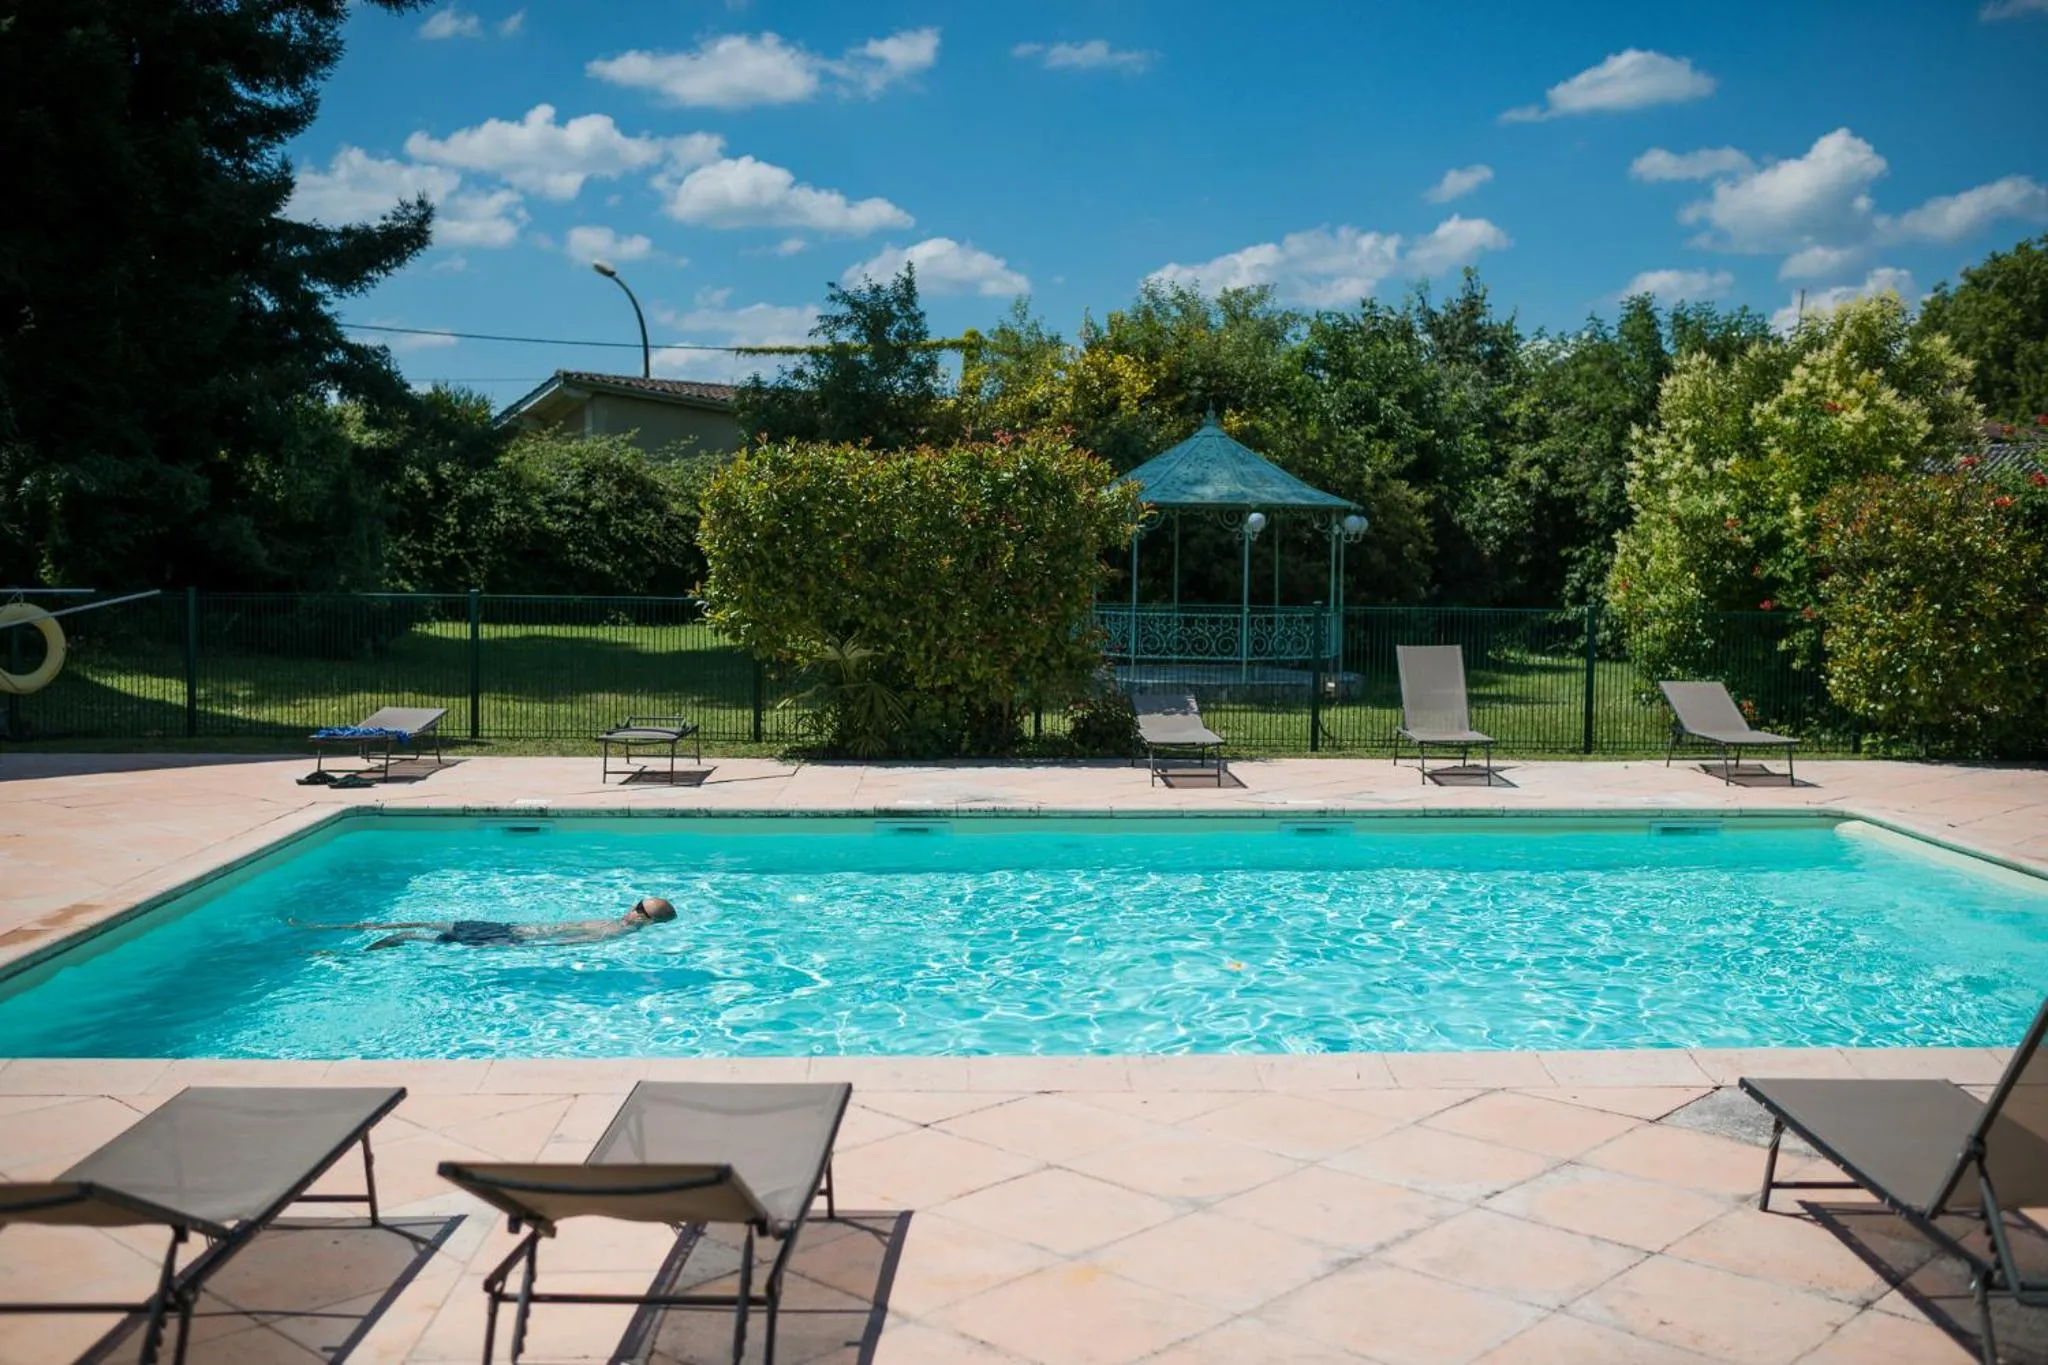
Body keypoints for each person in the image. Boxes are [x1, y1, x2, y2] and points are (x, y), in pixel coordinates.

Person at [294, 897, 677, 950]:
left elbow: (561, 945)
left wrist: (513, 944)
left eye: (638, 905)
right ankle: (343, 929)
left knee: (415, 934)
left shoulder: (613, 932)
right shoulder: (615, 924)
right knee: (427, 921)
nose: (630, 907)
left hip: (507, 937)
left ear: (644, 917)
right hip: (508, 927)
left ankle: (343, 955)